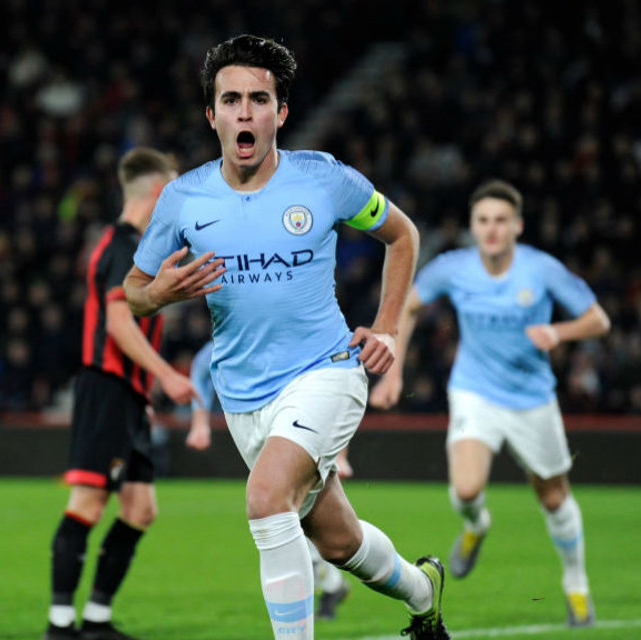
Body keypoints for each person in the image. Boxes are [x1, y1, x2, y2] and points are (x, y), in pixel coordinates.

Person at [125, 35, 448, 640]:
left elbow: (402, 236)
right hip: (244, 397)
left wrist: (387, 328)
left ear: (281, 113)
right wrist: (160, 294)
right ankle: (422, 592)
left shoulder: (322, 180)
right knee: (337, 541)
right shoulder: (184, 199)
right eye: (231, 100)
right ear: (211, 115)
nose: (244, 112)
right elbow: (135, 288)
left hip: (326, 370)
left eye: (258, 99)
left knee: (266, 497)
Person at [370, 179, 611, 628]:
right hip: (474, 391)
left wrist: (559, 333)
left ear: (517, 225)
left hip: (532, 399)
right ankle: (476, 525)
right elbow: (408, 305)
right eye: (483, 221)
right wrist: (395, 370)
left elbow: (599, 319)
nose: (492, 229)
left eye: (501, 220)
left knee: (554, 497)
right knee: (465, 489)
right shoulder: (453, 267)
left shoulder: (541, 269)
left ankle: (576, 587)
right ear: (473, 227)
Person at [45, 147, 199, 640]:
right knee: (88, 503)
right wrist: (166, 374)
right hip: (107, 389)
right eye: (172, 191)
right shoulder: (125, 245)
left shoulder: (130, 245)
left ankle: (95, 619)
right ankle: (60, 626)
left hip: (128, 394)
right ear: (157, 191)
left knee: (140, 509)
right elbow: (116, 322)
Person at [185, 340, 353, 621]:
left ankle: (334, 586)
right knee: (292, 515)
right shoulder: (235, 336)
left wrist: (341, 453)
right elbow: (201, 368)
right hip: (261, 429)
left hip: (299, 427)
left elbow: (333, 377)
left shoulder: (289, 329)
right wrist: (200, 422)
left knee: (298, 517)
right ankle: (332, 585)